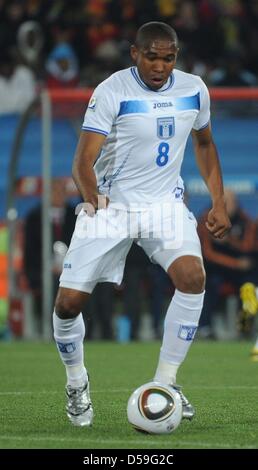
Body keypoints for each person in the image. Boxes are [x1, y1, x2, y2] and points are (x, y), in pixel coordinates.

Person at [53, 21, 231, 427]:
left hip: (165, 205)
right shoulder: (112, 90)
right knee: (67, 305)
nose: (160, 65)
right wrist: (93, 198)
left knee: (192, 277)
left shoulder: (194, 89)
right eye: (152, 56)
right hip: (111, 205)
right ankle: (76, 382)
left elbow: (205, 144)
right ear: (135, 53)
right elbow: (82, 160)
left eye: (168, 58)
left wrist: (217, 201)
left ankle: (166, 384)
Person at [198, 188, 254, 338]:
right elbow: (208, 254)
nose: (229, 206)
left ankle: (245, 328)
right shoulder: (205, 219)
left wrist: (229, 240)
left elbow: (248, 246)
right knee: (210, 284)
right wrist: (235, 263)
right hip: (214, 269)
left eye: (231, 202)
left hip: (239, 271)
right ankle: (205, 328)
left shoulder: (245, 220)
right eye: (224, 203)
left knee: (249, 287)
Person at [24, 178, 77, 335]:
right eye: (54, 192)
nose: (58, 195)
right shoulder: (34, 217)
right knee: (49, 283)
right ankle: (49, 329)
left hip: (72, 270)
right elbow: (31, 251)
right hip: (42, 271)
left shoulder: (76, 215)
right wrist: (47, 266)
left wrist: (67, 266)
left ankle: (80, 331)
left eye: (62, 192)